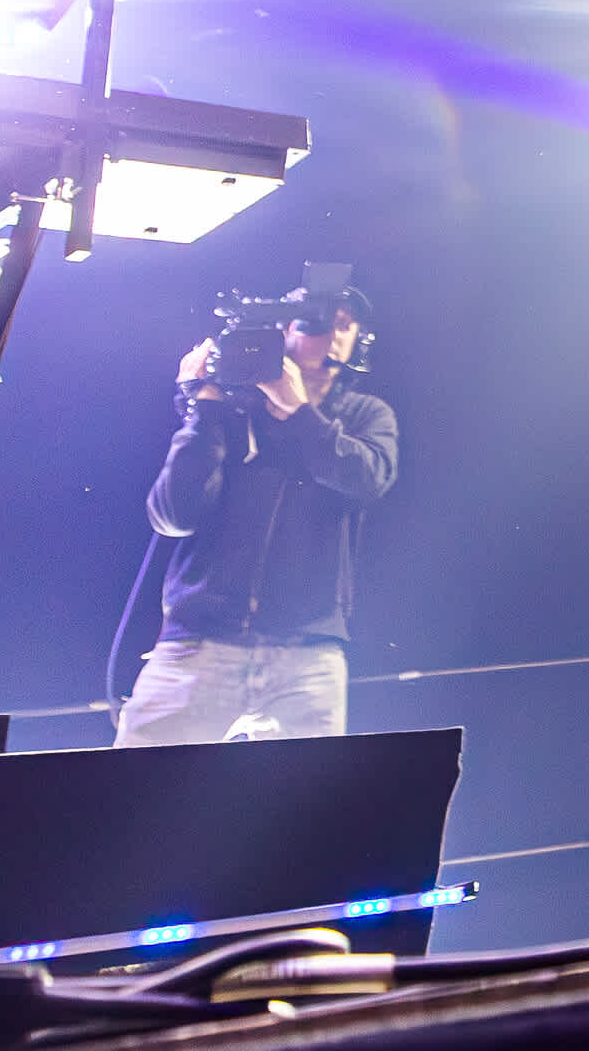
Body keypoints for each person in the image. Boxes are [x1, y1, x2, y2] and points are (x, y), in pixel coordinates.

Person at [111, 288, 397, 746]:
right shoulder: (231, 412)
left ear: (358, 340)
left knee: (311, 792)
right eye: (313, 319)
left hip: (305, 654)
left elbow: (367, 480)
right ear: (283, 330)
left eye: (343, 323)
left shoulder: (364, 415)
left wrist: (299, 414)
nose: (329, 331)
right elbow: (172, 516)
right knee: (137, 783)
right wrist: (203, 410)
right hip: (199, 644)